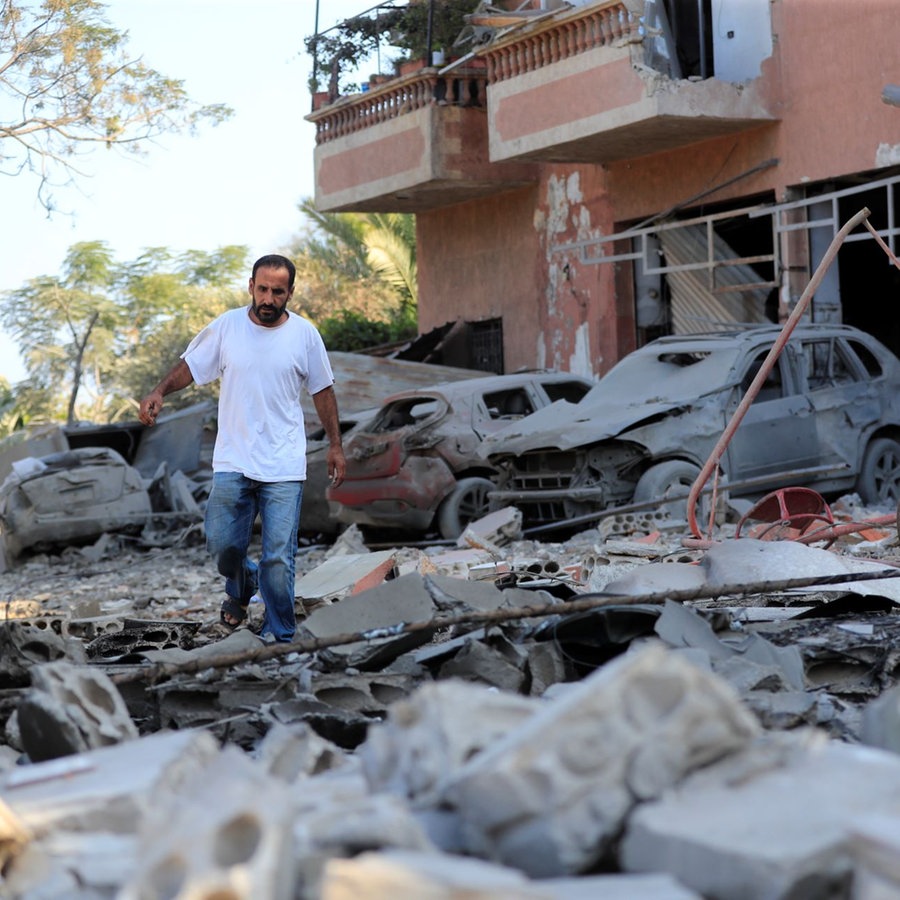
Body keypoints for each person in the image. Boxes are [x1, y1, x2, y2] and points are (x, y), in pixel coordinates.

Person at [138, 253, 346, 643]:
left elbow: (323, 390)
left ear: (290, 293)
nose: (268, 299)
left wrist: (335, 445)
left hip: (283, 463)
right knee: (221, 543)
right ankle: (242, 583)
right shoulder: (228, 327)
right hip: (234, 459)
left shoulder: (305, 335)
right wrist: (159, 390)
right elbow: (191, 366)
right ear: (251, 286)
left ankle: (280, 634)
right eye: (262, 289)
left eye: (277, 292)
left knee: (279, 558)